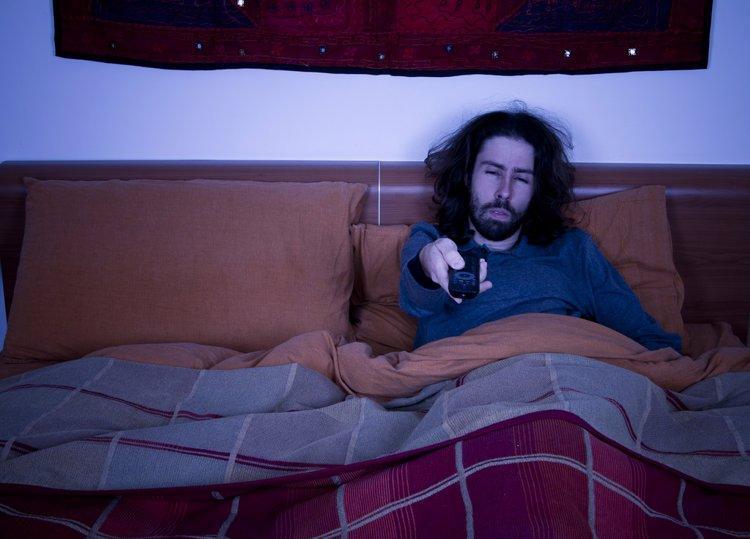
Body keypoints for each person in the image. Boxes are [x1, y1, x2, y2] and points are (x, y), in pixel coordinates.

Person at [399, 106, 682, 352]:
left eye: (521, 178)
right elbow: (417, 298)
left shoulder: (574, 250)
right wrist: (427, 265)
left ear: (536, 188)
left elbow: (649, 342)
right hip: (470, 382)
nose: (504, 192)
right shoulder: (431, 241)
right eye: (493, 172)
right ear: (466, 176)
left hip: (570, 376)